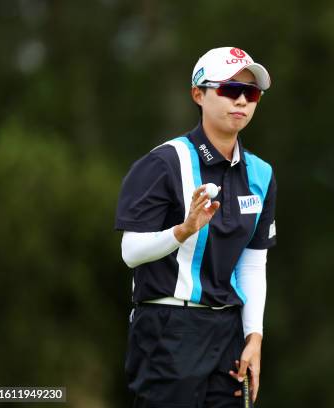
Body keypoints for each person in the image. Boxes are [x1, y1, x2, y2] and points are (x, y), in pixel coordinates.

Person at [115, 46, 277, 407]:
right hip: (168, 326)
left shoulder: (262, 174)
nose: (241, 101)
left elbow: (252, 262)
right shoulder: (162, 163)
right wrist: (183, 230)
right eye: (229, 89)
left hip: (229, 332)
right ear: (198, 94)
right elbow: (131, 253)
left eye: (250, 93)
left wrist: (254, 336)